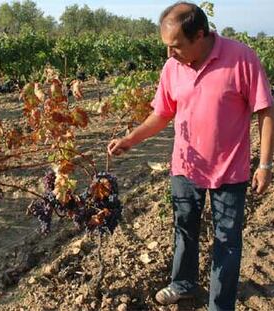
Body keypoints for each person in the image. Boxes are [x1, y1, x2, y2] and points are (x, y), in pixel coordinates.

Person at [107, 2, 273, 310]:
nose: (169, 54)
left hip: (229, 170)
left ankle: (219, 305)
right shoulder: (172, 67)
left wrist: (265, 164)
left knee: (227, 242)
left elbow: (265, 110)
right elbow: (161, 114)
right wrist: (130, 139)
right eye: (166, 47)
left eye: (176, 46)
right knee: (184, 230)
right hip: (185, 165)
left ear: (200, 35)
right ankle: (182, 284)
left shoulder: (241, 59)